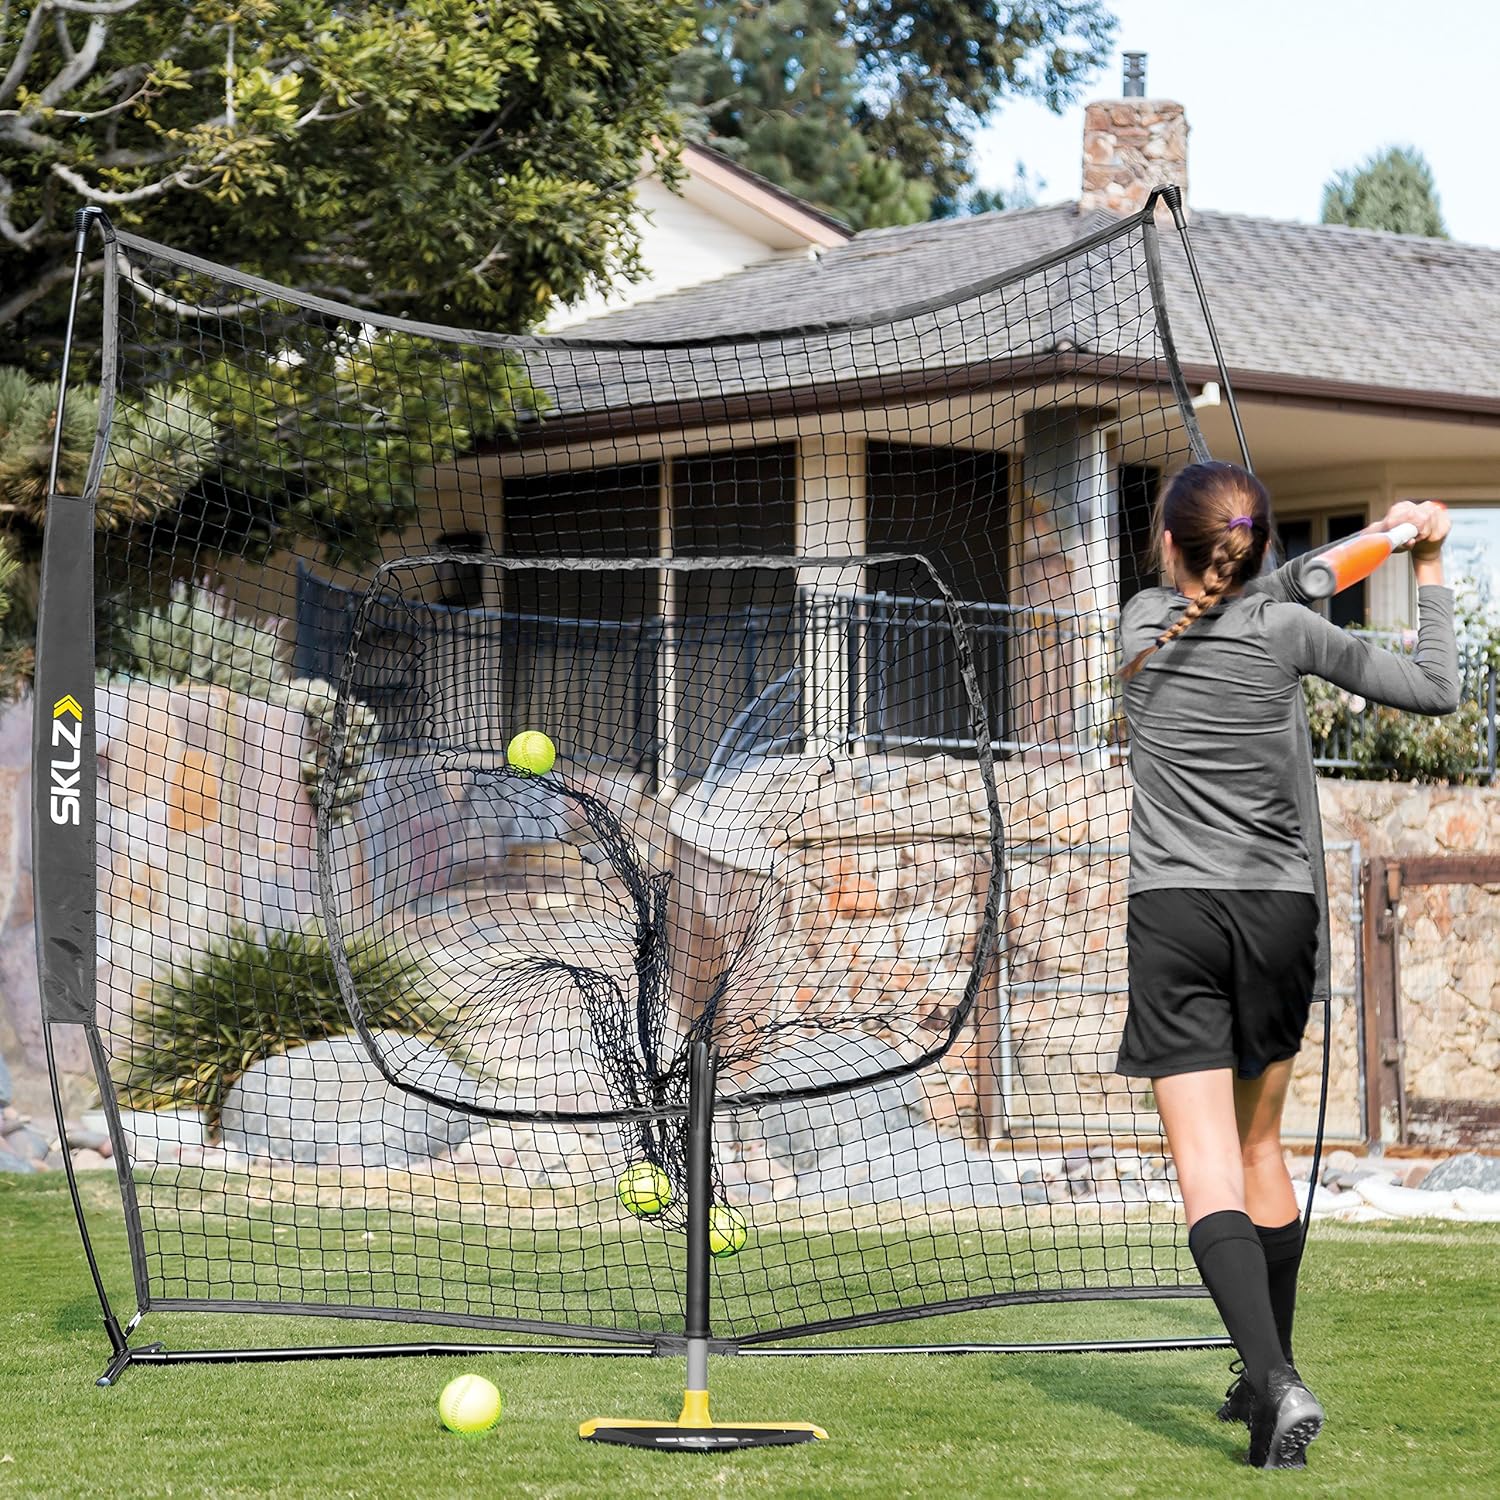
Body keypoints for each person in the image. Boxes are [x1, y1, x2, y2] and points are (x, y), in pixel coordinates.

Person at [1115, 461, 1458, 1470]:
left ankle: (1273, 1379)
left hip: (1175, 915)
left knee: (1208, 1167)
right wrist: (1418, 557)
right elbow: (1435, 686)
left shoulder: (1141, 629)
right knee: (1260, 1149)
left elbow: (1286, 577)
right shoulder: (1287, 631)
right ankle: (1271, 1393)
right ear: (1257, 547)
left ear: (1170, 547)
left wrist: (1388, 537)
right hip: (1279, 918)